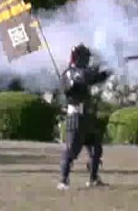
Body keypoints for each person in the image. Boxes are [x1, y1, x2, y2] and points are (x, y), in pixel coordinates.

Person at [57, 44, 111, 190]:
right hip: (75, 117)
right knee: (71, 150)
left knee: (96, 149)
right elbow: (87, 76)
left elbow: (95, 77)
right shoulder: (71, 73)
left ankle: (93, 179)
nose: (87, 60)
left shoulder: (79, 72)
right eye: (86, 57)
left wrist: (108, 70)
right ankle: (63, 180)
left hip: (87, 117)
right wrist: (100, 71)